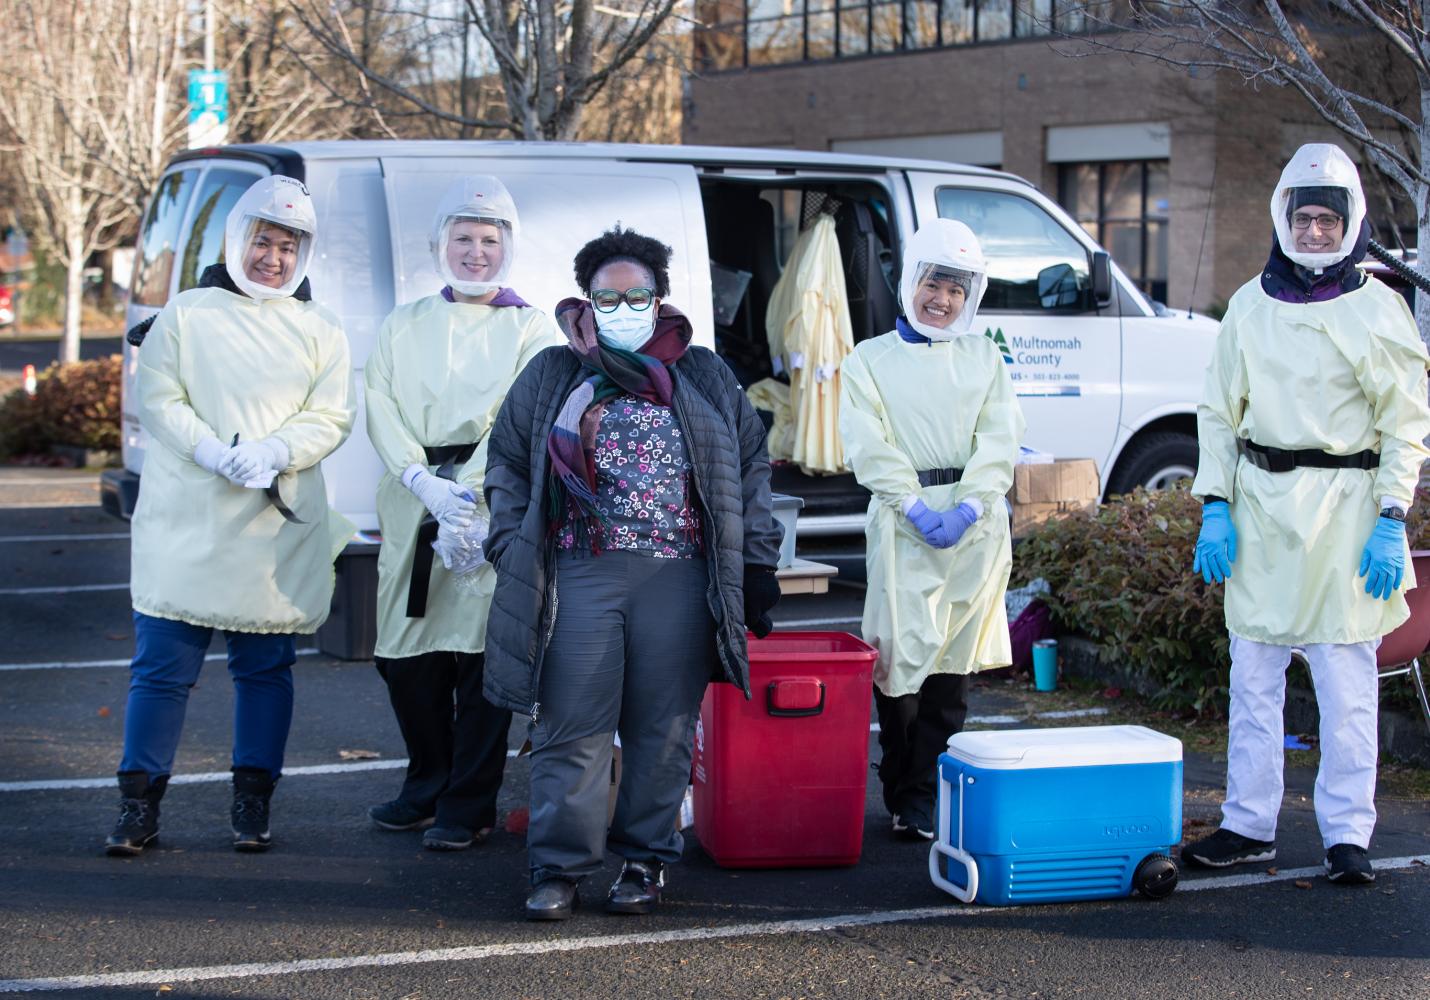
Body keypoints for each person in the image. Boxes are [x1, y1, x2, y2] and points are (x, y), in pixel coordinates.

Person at [482, 226, 784, 920]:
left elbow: (750, 467)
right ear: (586, 300)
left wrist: (758, 564)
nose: (622, 306)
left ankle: (645, 863)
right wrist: (507, 538)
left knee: (664, 728)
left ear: (659, 297)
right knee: (571, 726)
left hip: (678, 577)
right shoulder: (552, 373)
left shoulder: (703, 374)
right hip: (580, 571)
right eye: (608, 296)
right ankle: (558, 868)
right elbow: (503, 460)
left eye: (636, 294)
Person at [1183, 143, 1430, 884]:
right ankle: (1248, 824)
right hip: (1260, 510)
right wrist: (1215, 506)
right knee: (1253, 678)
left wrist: (1392, 518)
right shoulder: (1251, 307)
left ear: (1351, 222)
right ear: (1281, 217)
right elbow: (1218, 414)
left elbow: (1406, 424)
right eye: (1305, 216)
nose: (1316, 231)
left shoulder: (1379, 310)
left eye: (1329, 218)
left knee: (1345, 684)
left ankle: (1347, 835)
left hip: (1349, 518)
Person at [106, 175, 355, 856]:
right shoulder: (185, 312)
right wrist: (213, 451)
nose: (273, 257)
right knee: (161, 668)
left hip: (271, 525)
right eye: (263, 241)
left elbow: (332, 415)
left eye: (288, 246)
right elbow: (159, 396)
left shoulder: (320, 327)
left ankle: (253, 801)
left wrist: (279, 449)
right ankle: (138, 804)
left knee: (265, 667)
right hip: (186, 517)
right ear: (237, 239)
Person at [363, 176, 563, 851]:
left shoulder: (531, 328)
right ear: (439, 243)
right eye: (464, 237)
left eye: (488, 239)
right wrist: (421, 480)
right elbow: (380, 401)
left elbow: (523, 414)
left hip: (490, 506)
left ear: (507, 246)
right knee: (407, 657)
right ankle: (426, 785)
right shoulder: (404, 322)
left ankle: (468, 803)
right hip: (414, 502)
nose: (476, 252)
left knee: (481, 663)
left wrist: (469, 496)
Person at [838, 218, 1024, 841]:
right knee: (900, 665)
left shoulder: (984, 357)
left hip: (973, 528)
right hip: (903, 525)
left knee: (951, 668)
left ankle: (927, 791)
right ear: (910, 279)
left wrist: (970, 506)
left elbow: (999, 439)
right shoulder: (870, 360)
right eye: (933, 284)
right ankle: (902, 785)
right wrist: (915, 507)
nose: (942, 301)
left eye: (957, 289)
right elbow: (869, 443)